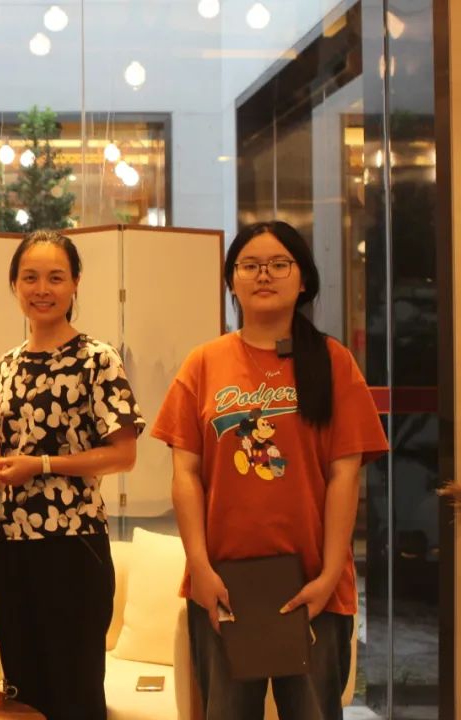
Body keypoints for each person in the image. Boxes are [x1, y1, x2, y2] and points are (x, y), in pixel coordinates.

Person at [152, 220, 388, 720]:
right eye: (250, 265)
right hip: (224, 588)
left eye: (280, 264)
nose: (264, 275)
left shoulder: (333, 362)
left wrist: (329, 576)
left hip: (314, 587)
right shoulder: (203, 363)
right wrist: (200, 568)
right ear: (232, 280)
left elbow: (344, 476)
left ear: (303, 280)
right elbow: (186, 475)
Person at [0, 230, 143, 720]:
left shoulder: (97, 359)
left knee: (74, 687)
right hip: (6, 541)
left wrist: (42, 466)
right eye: (30, 277)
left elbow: (123, 454)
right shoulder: (6, 366)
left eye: (55, 277)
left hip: (72, 542)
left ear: (75, 284)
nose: (42, 289)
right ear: (14, 284)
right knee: (22, 688)